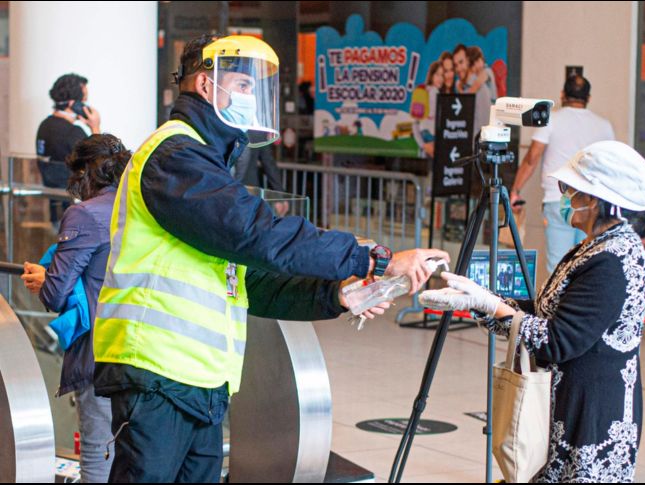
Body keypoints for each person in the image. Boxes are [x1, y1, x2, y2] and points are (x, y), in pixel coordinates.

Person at [92, 34, 448, 483]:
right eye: (242, 86)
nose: (250, 98)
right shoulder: (175, 157)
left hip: (200, 382)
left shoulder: (209, 164)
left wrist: (335, 295)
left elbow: (248, 283)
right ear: (206, 84)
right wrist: (373, 258)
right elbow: (260, 235)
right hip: (157, 373)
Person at [421, 141, 645, 483]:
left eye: (570, 190)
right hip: (570, 403)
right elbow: (549, 310)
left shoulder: (611, 259)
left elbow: (558, 340)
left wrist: (493, 306)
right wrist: (482, 301)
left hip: (590, 417)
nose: (565, 198)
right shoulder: (596, 246)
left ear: (595, 199)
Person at [21, 134, 130, 483]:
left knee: (98, 466)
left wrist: (45, 279)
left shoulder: (83, 215)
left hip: (99, 355)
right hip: (143, 354)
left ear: (85, 173)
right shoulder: (140, 210)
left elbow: (55, 293)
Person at [509, 75, 615, 274]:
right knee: (587, 263)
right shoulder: (604, 126)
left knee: (559, 267)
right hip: (591, 204)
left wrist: (515, 190)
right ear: (588, 98)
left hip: (559, 201)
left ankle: (557, 305)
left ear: (562, 94)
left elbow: (532, 158)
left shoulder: (551, 120)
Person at [36, 73, 102, 227]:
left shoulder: (44, 126)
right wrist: (95, 126)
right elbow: (101, 161)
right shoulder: (72, 132)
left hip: (55, 210)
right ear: (74, 104)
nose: (86, 105)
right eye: (84, 100)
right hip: (75, 216)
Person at [453, 44, 491, 135]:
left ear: (469, 61)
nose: (458, 68)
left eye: (461, 62)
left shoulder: (481, 89)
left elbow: (484, 129)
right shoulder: (460, 87)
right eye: (455, 65)